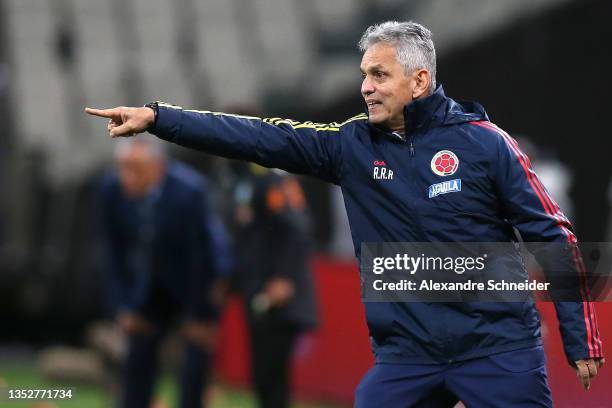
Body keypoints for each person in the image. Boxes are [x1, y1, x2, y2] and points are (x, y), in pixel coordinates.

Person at [87, 21, 604, 407]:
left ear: (419, 81)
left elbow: (551, 232)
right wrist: (159, 119)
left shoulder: (486, 145)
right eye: (363, 75)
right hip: (408, 356)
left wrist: (580, 336)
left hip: (497, 349)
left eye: (380, 74)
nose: (365, 87)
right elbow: (262, 137)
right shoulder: (351, 146)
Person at [97, 136, 222, 408]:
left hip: (191, 283)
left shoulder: (190, 192)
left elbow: (201, 256)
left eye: (135, 169)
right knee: (137, 359)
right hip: (146, 288)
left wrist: (199, 314)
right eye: (123, 167)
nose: (126, 177)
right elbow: (112, 253)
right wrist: (124, 306)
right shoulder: (110, 190)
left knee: (194, 363)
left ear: (157, 167)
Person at [229, 163, 318, 408]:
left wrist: (283, 276)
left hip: (279, 297)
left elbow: (298, 227)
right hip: (256, 290)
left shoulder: (272, 178)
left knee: (271, 374)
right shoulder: (239, 177)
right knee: (261, 374)